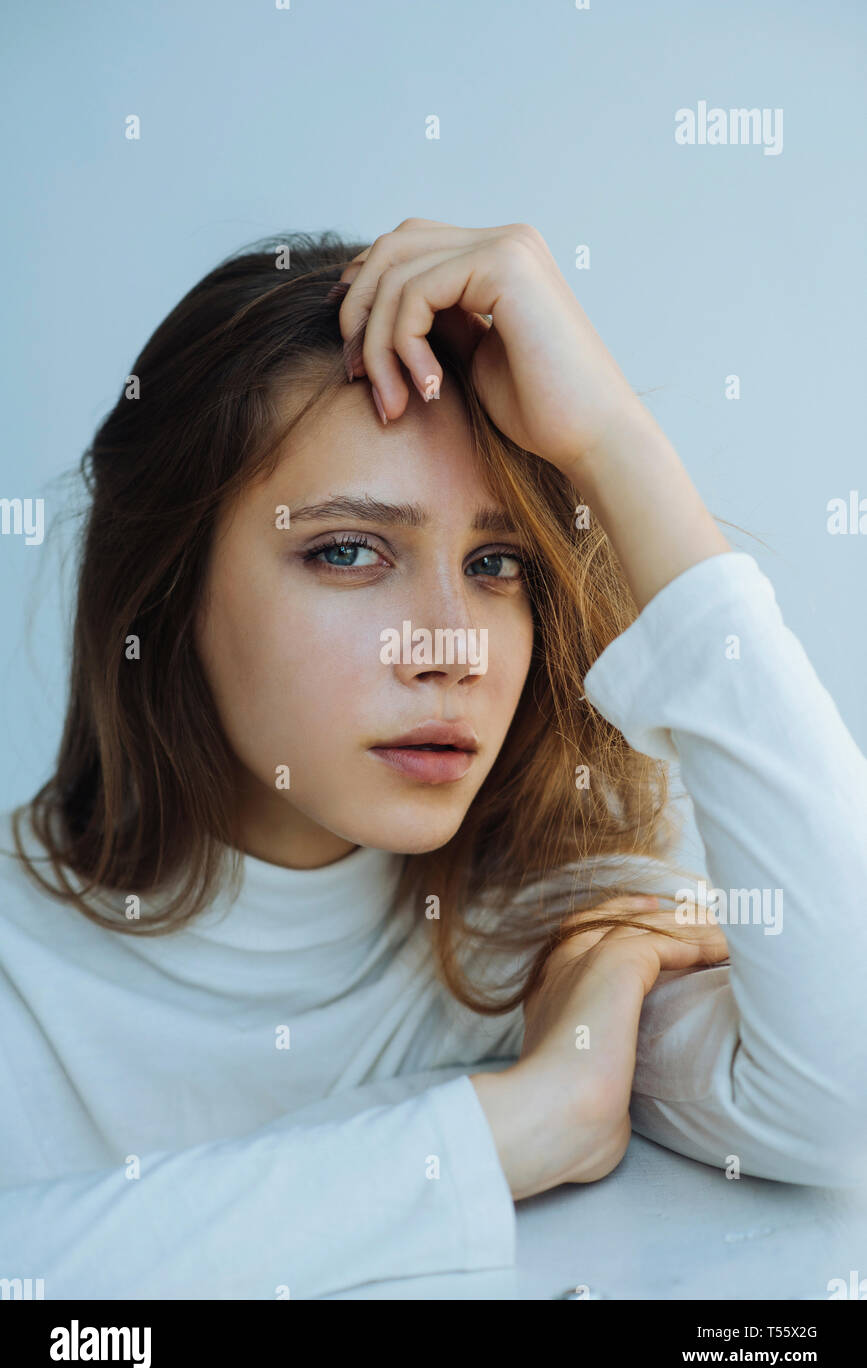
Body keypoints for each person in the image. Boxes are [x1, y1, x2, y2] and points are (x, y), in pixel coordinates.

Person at [1, 220, 865, 1300]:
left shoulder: (555, 938)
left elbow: (849, 1098)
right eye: (349, 551)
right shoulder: (18, 964)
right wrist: (514, 1127)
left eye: (496, 562)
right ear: (168, 594)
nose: (452, 646)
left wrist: (610, 439)